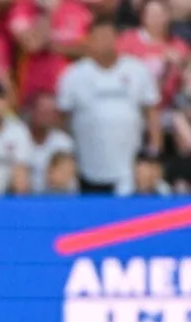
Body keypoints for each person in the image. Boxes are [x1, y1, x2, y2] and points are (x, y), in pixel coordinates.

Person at [57, 18, 161, 194]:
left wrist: (154, 153)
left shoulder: (137, 70)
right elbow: (61, 119)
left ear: (117, 39)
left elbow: (151, 113)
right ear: (90, 40)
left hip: (128, 167)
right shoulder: (74, 75)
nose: (105, 42)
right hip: (87, 167)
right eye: (99, 37)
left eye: (109, 36)